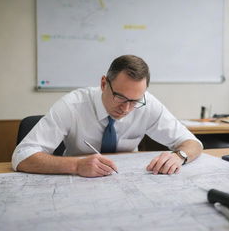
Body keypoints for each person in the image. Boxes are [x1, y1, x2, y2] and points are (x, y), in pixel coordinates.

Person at [12, 55, 203, 177]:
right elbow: (22, 156)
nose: (127, 109)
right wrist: (76, 166)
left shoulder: (148, 104)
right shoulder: (72, 105)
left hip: (128, 180)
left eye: (135, 100)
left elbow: (192, 143)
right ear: (104, 84)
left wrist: (180, 156)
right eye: (120, 97)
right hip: (78, 182)